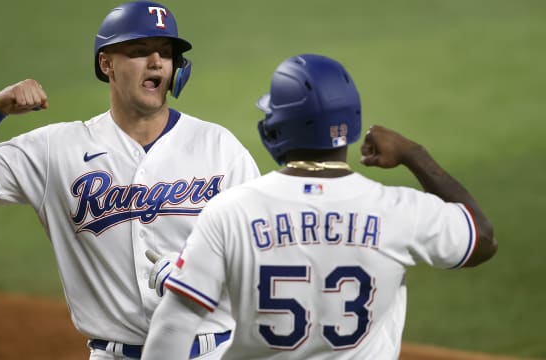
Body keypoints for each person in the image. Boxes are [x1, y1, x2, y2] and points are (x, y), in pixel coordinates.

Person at [0, 1, 259, 359]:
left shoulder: (219, 146)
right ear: (107, 64)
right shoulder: (57, 149)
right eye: (138, 51)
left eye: (165, 53)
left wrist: (197, 276)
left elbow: (259, 252)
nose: (155, 62)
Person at [141, 54, 498, 360]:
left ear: (276, 129)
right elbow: (481, 238)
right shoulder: (399, 209)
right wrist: (413, 154)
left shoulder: (231, 211)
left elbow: (174, 325)